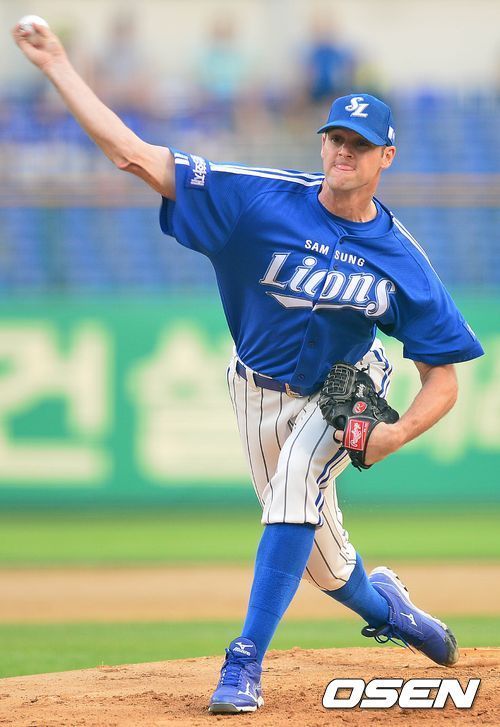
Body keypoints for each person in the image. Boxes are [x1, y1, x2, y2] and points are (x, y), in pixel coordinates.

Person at [13, 21, 484, 715]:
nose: (344, 151)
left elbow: (443, 376)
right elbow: (131, 155)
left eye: (359, 143)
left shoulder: (402, 259)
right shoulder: (256, 199)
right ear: (322, 143)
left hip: (345, 387)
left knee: (293, 489)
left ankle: (243, 661)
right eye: (336, 138)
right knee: (325, 564)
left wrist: (396, 432)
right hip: (255, 390)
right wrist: (57, 63)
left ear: (387, 155)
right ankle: (393, 610)